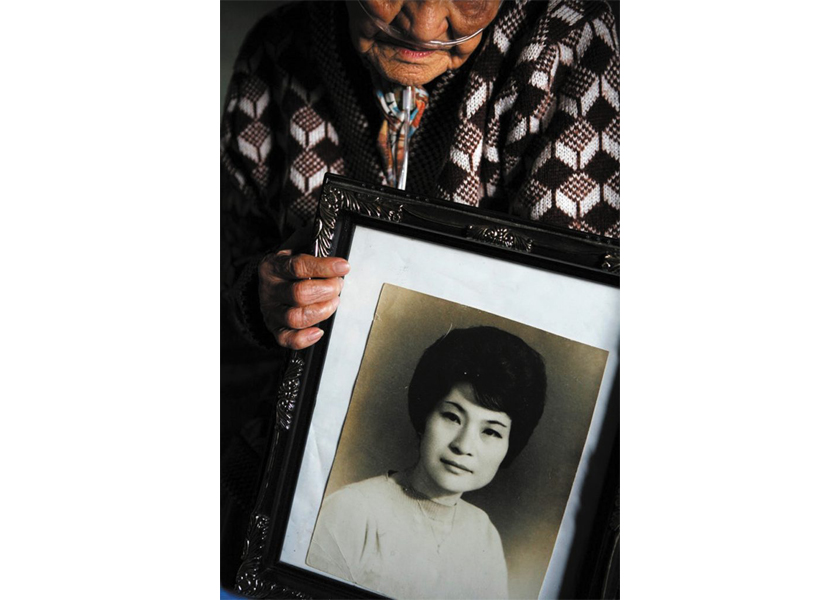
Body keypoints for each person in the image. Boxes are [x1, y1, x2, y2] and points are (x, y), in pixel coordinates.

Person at [221, 0, 618, 587]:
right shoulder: (275, 55)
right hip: (271, 511)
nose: (427, 25)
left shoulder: (574, 46)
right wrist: (260, 300)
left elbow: (582, 301)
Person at [306, 327, 547, 599]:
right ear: (425, 415)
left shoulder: (484, 535)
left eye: (491, 431)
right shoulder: (352, 511)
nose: (463, 445)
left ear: (510, 445)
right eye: (452, 417)